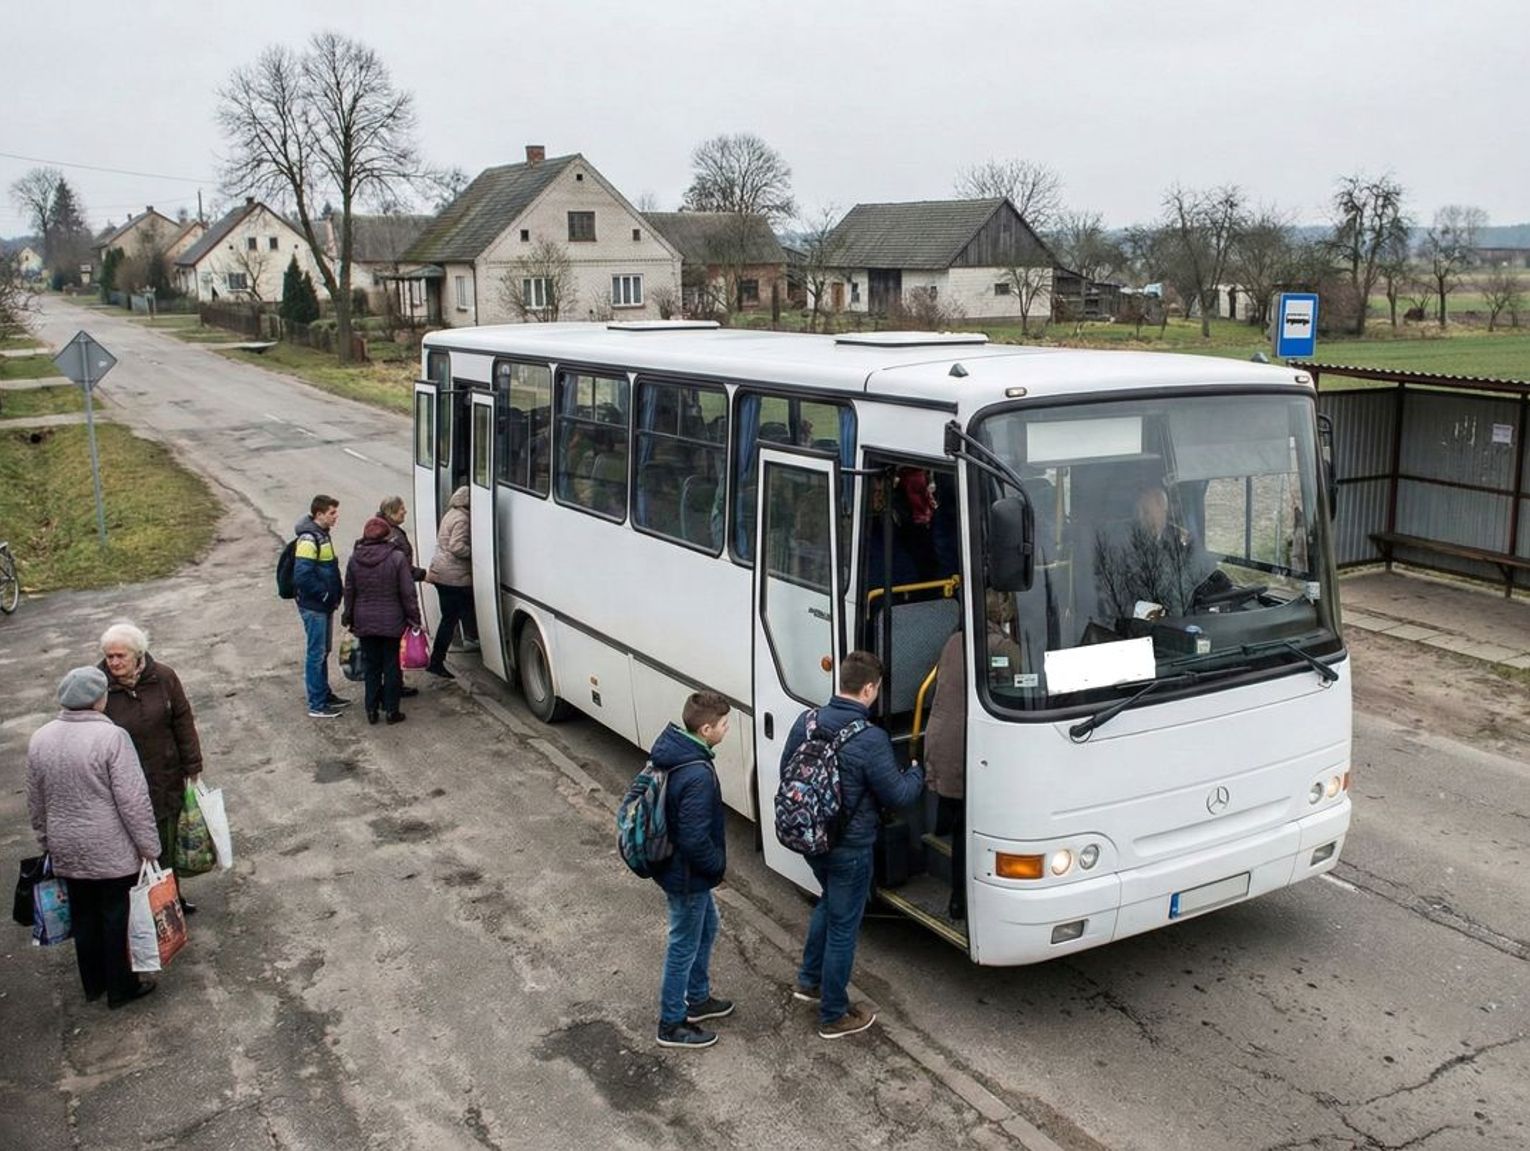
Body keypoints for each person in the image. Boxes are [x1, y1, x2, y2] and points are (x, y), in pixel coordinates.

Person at [784, 651, 924, 1039]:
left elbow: (787, 774)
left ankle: (808, 981)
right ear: (867, 688)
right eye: (876, 690)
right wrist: (917, 772)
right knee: (845, 926)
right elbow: (897, 795)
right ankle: (833, 1014)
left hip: (811, 838)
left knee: (830, 904)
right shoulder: (871, 738)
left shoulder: (806, 722)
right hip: (850, 847)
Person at [27, 667, 162, 1009]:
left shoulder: (40, 738)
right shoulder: (112, 738)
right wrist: (149, 847)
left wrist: (46, 840)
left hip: (65, 847)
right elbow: (133, 799)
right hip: (110, 847)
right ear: (99, 699)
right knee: (117, 915)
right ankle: (122, 987)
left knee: (83, 915)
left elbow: (35, 799)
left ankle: (94, 984)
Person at [921, 592, 1022, 921]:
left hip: (942, 739)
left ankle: (939, 833)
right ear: (1003, 612)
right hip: (966, 748)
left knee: (953, 809)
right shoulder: (1000, 648)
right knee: (968, 826)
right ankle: (959, 900)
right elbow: (1025, 683)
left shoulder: (957, 639)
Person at [98, 621, 205, 915]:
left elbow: (182, 719)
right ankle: (141, 909)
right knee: (133, 849)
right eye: (109, 657)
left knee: (166, 843)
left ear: (139, 654)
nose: (114, 662)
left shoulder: (163, 677)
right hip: (122, 785)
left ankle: (171, 901)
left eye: (121, 656)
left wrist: (192, 762)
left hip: (164, 776)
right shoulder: (99, 686)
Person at [650, 691, 733, 1049]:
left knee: (707, 926)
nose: (727, 730)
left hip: (678, 870)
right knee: (683, 944)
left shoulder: (678, 752)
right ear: (706, 728)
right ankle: (671, 1023)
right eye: (725, 725)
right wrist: (718, 867)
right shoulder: (697, 773)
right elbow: (694, 838)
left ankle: (697, 998)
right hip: (687, 875)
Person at [343, 516, 423, 725]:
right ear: (386, 535)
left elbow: (350, 591)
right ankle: (391, 711)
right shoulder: (396, 558)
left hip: (364, 621)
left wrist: (348, 617)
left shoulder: (354, 559)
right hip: (392, 621)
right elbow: (407, 592)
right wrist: (414, 618)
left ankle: (371, 709)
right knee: (391, 665)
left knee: (371, 666)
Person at [294, 494, 348, 718]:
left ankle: (324, 694)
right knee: (316, 654)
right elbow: (302, 576)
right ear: (319, 514)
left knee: (323, 652)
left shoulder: (322, 534)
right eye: (332, 513)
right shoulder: (309, 539)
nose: (336, 517)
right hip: (315, 606)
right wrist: (325, 595)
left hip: (323, 606)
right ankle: (317, 703)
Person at [424, 486, 476, 679]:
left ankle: (468, 639)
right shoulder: (463, 519)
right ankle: (437, 661)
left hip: (441, 572)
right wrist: (475, 552)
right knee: (449, 619)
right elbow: (456, 546)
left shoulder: (451, 514)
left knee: (454, 614)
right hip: (452, 577)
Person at [377, 495, 424, 700]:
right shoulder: (392, 536)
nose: (405, 511)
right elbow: (402, 570)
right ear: (390, 513)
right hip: (393, 601)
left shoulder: (381, 530)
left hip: (381, 602)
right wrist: (423, 575)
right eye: (401, 509)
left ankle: (386, 687)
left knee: (383, 648)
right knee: (393, 647)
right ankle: (393, 690)